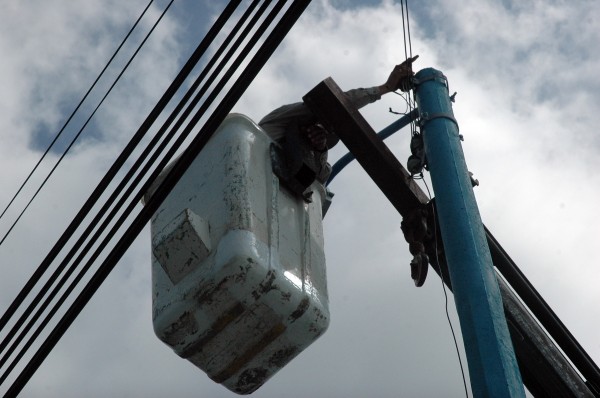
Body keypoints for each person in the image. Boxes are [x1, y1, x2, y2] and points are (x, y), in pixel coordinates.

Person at [259, 56, 419, 186]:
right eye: (320, 125)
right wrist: (386, 88)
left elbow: (322, 177)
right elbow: (336, 102)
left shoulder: (316, 160)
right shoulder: (276, 123)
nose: (319, 131)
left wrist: (320, 148)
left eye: (325, 134)